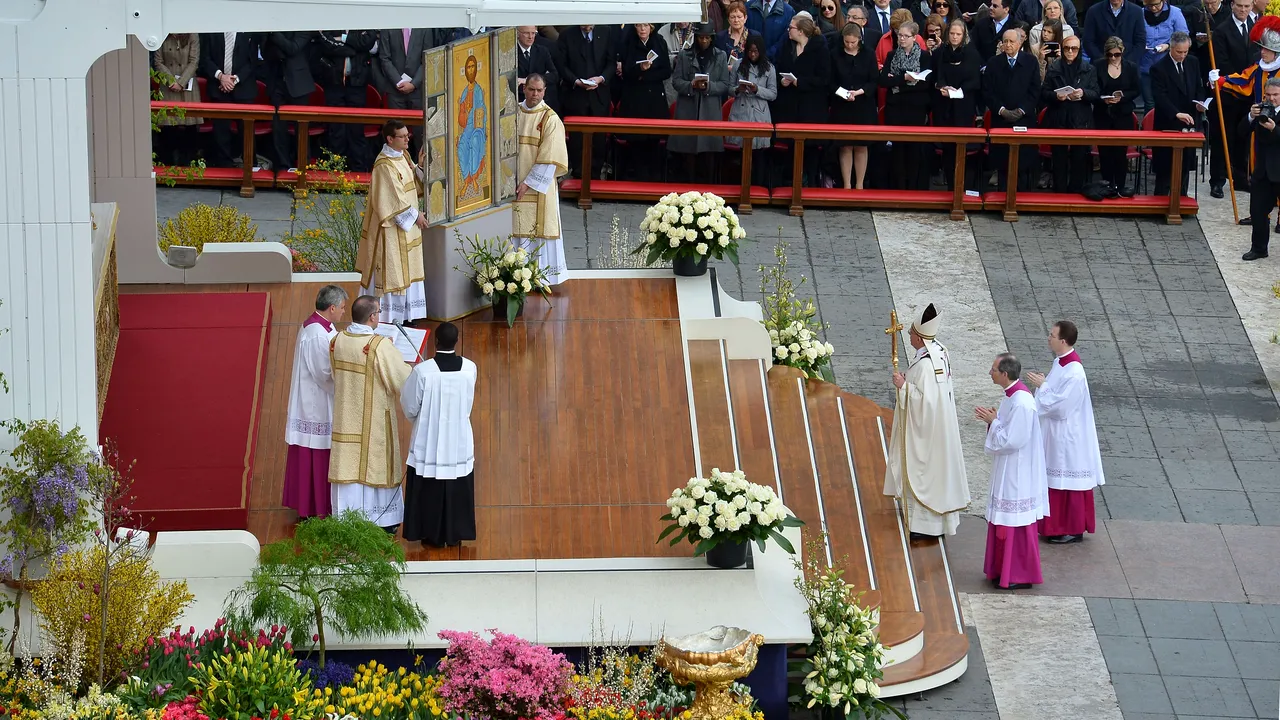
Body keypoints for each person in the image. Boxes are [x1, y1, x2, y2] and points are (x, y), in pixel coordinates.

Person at [884, 304, 971, 540]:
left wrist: (903, 387)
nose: (909, 335)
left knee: (923, 474)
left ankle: (924, 527)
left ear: (921, 338)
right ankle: (936, 525)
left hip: (927, 432)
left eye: (912, 333)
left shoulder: (925, 365)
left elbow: (925, 403)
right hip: (939, 428)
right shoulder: (940, 351)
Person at [327, 295, 412, 532]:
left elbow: (335, 374)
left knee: (349, 468)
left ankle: (348, 521)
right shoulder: (379, 345)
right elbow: (402, 380)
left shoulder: (337, 341)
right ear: (373, 317)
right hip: (374, 419)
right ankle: (383, 521)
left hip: (345, 416)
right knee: (376, 465)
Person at [1024, 320, 1104, 544]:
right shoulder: (1060, 363)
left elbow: (1062, 407)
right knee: (1056, 480)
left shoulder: (1075, 371)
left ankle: (1071, 528)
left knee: (1066, 481)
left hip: (1068, 435)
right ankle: (1056, 526)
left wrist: (1043, 386)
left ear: (1063, 341)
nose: (1048, 338)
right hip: (1056, 432)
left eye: (1051, 335)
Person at [401, 322, 478, 548]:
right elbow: (468, 401)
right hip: (458, 438)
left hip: (429, 438)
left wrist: (421, 421)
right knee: (457, 483)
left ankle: (429, 534)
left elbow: (409, 406)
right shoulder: (470, 368)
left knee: (430, 487)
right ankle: (455, 533)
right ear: (457, 342)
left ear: (435, 342)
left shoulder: (423, 371)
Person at [975, 353, 1047, 591]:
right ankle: (1001, 570)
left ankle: (1018, 573)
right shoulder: (1011, 397)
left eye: (993, 369)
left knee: (1015, 522)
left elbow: (1012, 440)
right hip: (1009, 468)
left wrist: (993, 422)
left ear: (1005, 374)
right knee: (1005, 520)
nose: (990, 373)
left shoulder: (1022, 403)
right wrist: (994, 420)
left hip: (1018, 472)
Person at [282, 285, 348, 519]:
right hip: (315, 404)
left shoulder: (321, 327)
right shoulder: (315, 334)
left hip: (318, 399)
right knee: (316, 452)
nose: (343, 312)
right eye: (341, 308)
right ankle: (315, 507)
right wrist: (349, 381)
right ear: (331, 308)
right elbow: (323, 373)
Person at [358, 120, 428, 324]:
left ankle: (407, 314)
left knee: (409, 268)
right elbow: (392, 200)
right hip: (391, 230)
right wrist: (416, 216)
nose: (408, 139)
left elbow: (412, 185)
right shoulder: (384, 165)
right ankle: (391, 315)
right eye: (403, 136)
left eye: (408, 135)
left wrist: (420, 166)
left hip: (407, 228)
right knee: (393, 270)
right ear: (390, 139)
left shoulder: (403, 156)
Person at [513, 73, 570, 285]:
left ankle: (540, 278)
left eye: (539, 90)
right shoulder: (512, 113)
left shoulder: (550, 119)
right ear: (524, 89)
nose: (535, 94)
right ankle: (516, 275)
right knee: (515, 228)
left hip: (538, 187)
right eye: (531, 89)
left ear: (544, 91)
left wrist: (528, 183)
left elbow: (550, 158)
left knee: (538, 228)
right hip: (512, 184)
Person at [1150, 32, 1206, 196]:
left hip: (1189, 122)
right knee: (1165, 168)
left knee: (1185, 165)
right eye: (1179, 52)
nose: (1182, 55)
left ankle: (1181, 199)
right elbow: (1159, 96)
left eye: (1185, 52)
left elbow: (1198, 87)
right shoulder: (1158, 68)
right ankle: (1160, 200)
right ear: (1171, 48)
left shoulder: (1193, 62)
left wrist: (1201, 102)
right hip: (1168, 123)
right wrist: (1176, 113)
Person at [1240, 76, 1280, 259]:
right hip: (1263, 171)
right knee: (1257, 212)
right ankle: (1259, 248)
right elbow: (1240, 132)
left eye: (1276, 95)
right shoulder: (1261, 110)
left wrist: (1275, 130)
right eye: (1268, 95)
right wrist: (1250, 116)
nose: (1272, 99)